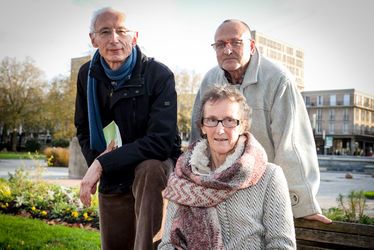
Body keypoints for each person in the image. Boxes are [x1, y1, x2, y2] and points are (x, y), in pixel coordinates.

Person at [190, 19, 332, 224]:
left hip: (264, 189)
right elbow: (199, 138)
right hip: (219, 189)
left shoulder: (278, 79)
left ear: (252, 46)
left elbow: (291, 144)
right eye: (220, 44)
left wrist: (299, 204)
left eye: (236, 42)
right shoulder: (210, 79)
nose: (227, 50)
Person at [75, 7, 181, 250]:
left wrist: (102, 164)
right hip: (114, 172)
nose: (114, 39)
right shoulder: (86, 76)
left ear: (134, 37)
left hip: (152, 170)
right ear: (93, 39)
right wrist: (97, 162)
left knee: (150, 168)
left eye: (121, 31)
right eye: (105, 31)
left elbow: (161, 141)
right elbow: (83, 127)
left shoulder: (159, 75)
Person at [159, 85, 296, 249]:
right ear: (202, 126)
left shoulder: (269, 176)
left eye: (229, 120)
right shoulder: (183, 177)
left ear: (243, 126)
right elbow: (167, 244)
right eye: (211, 120)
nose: (220, 130)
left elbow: (282, 245)